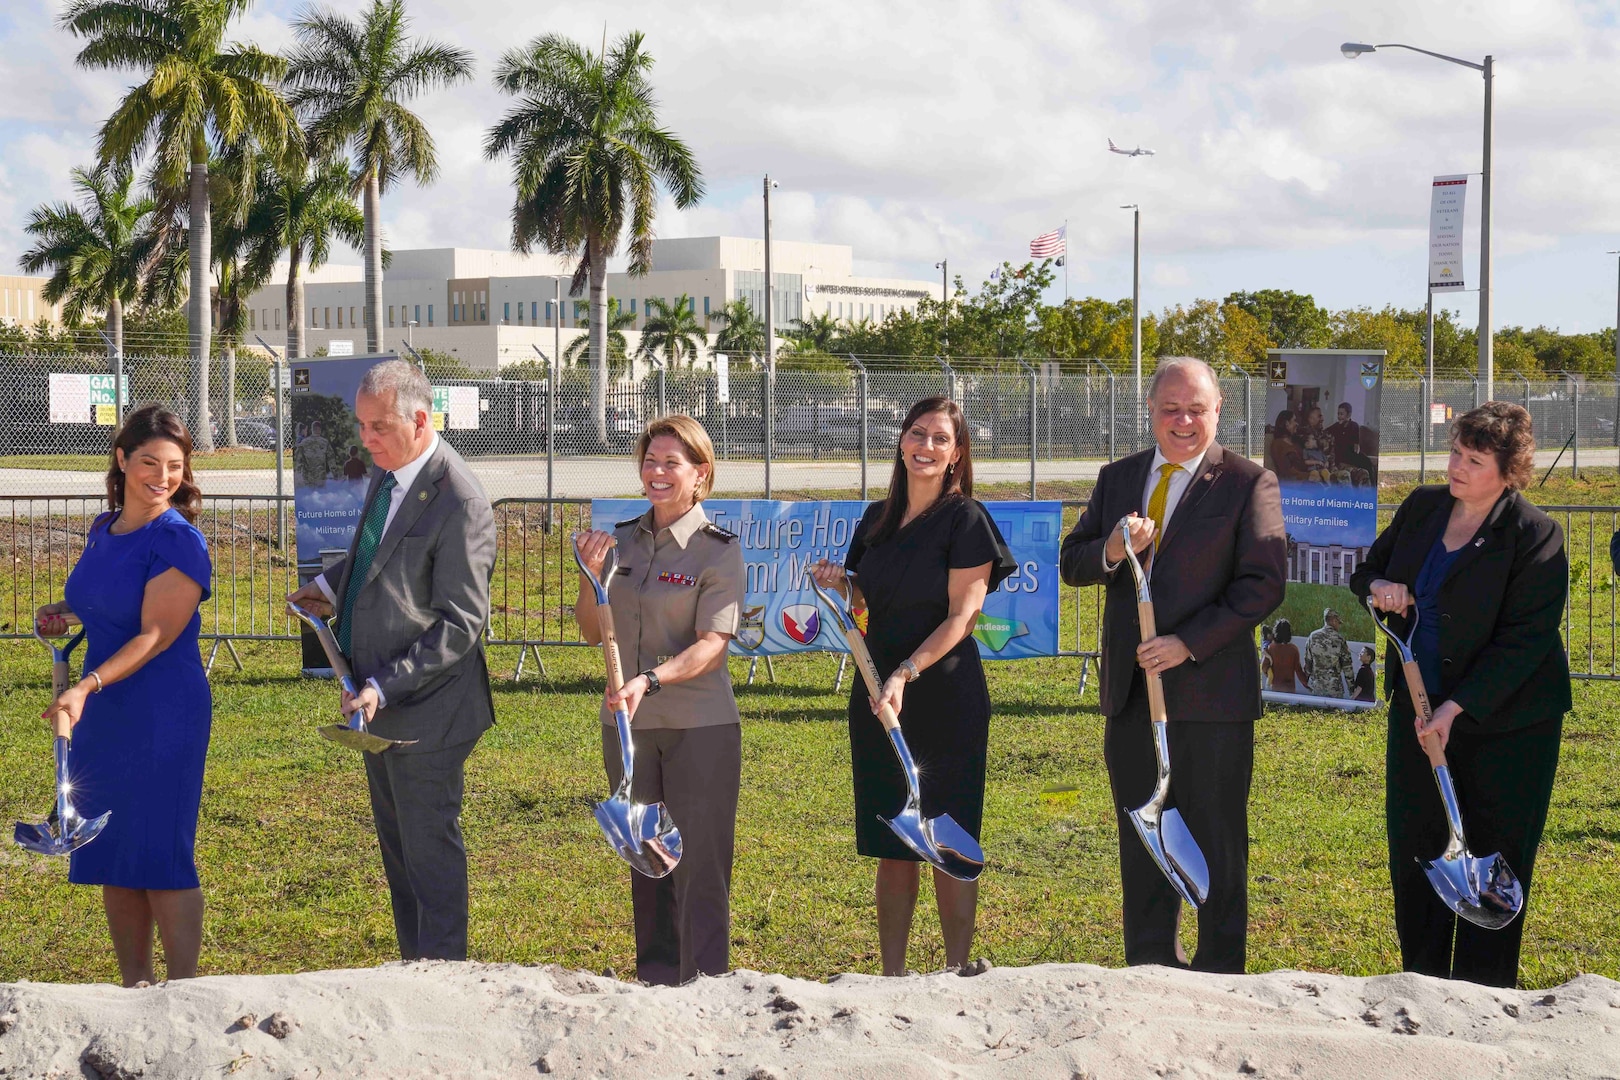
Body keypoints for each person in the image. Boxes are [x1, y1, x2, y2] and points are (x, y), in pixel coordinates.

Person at [1060, 357, 1286, 973]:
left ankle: (1220, 974)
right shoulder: (1119, 478)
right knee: (1143, 845)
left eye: (1197, 409)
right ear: (1152, 412)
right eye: (1170, 409)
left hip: (1211, 700)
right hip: (1133, 699)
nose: (1183, 421)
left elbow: (1262, 585)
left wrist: (1188, 642)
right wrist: (1112, 546)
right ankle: (1151, 968)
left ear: (1217, 412)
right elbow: (1072, 560)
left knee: (1215, 846)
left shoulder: (1247, 483)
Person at [1350, 401, 1570, 987]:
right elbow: (1365, 571)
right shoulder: (1423, 507)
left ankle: (1485, 994)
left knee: (1493, 855)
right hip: (1420, 714)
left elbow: (1524, 642)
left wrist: (1456, 706)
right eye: (1454, 452)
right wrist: (1380, 587)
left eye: (1474, 459)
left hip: (1507, 725)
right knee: (1418, 847)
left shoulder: (1536, 536)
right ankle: (1420, 985)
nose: (1457, 467)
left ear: (1509, 471)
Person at [286, 360, 496, 962]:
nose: (366, 439)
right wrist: (327, 588)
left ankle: (445, 983)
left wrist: (383, 683)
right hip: (377, 704)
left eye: (378, 426)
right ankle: (415, 973)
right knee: (401, 855)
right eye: (361, 424)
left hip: (427, 710)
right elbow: (372, 556)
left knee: (428, 856)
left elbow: (461, 624)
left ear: (421, 420)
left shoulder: (460, 501)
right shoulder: (389, 470)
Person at [811, 396, 1015, 977]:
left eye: (940, 439)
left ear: (957, 454)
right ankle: (892, 975)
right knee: (892, 843)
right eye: (917, 434)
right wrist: (839, 587)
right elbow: (866, 605)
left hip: (941, 694)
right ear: (901, 441)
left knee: (948, 840)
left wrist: (907, 672)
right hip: (878, 696)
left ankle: (956, 971)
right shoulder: (875, 519)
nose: (925, 447)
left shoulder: (966, 520)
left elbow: (962, 618)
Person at [34, 404, 213, 987]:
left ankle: (186, 993)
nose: (162, 477)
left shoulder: (179, 540)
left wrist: (85, 684)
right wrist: (61, 612)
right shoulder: (102, 529)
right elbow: (104, 599)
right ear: (121, 459)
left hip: (160, 709)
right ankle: (133, 987)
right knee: (114, 852)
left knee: (161, 855)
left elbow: (156, 633)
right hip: (104, 712)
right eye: (149, 463)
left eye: (174, 466)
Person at [574, 414, 746, 986]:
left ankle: (705, 987)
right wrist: (588, 576)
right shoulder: (619, 540)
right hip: (628, 729)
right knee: (647, 858)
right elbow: (590, 632)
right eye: (650, 461)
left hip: (699, 727)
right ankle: (655, 982)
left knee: (699, 867)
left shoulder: (718, 552)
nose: (657, 472)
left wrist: (647, 681)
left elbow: (712, 648)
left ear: (701, 474)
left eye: (672, 462)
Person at [1302, 607, 1353, 698]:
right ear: (1333, 621)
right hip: (1334, 689)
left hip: (1317, 687)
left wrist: (1305, 681)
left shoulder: (1312, 637)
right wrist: (1352, 689)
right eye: (1338, 623)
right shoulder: (1339, 639)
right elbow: (1347, 667)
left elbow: (1308, 663)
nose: (1339, 626)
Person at [1326, 402, 1373, 479]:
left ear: (1348, 415)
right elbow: (1325, 432)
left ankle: (1372, 486)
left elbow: (1356, 447)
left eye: (1341, 414)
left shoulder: (1354, 426)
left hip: (1351, 454)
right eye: (1338, 414)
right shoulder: (1336, 426)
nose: (1339, 416)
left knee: (1367, 462)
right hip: (1340, 454)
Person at [1264, 618, 1303, 694]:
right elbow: (1299, 671)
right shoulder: (1293, 649)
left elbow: (1264, 666)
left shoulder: (1271, 648)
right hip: (1290, 688)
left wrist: (1269, 673)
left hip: (1275, 687)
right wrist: (1307, 684)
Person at [1268, 410, 1309, 481]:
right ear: (1287, 423)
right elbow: (1286, 471)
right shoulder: (1278, 444)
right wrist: (1308, 476)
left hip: (1305, 477)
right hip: (1292, 483)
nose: (1297, 424)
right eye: (1294, 420)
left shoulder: (1295, 443)